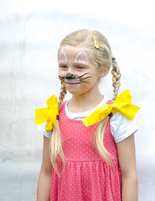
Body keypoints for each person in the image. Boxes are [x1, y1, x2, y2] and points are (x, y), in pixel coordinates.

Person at [35, 29, 140, 201]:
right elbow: (46, 172)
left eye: (79, 67)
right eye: (63, 66)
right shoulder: (53, 116)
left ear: (103, 70)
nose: (69, 73)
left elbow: (129, 175)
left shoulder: (115, 115)